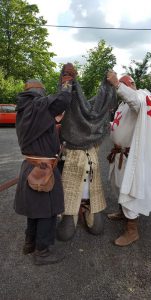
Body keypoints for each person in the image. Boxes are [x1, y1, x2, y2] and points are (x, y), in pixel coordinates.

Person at [14, 63, 77, 265]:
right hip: (43, 168)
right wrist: (67, 82)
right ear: (39, 92)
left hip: (31, 166)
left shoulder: (24, 110)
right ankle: (42, 253)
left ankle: (30, 243)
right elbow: (62, 100)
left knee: (34, 210)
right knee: (48, 212)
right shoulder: (36, 106)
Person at [56, 70, 117, 241]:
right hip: (70, 194)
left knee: (98, 229)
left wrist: (112, 86)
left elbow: (99, 110)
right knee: (64, 234)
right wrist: (67, 82)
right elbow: (63, 100)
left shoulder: (94, 145)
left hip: (91, 195)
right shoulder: (70, 141)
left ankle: (87, 208)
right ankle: (72, 212)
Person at [106, 71, 151, 246]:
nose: (119, 89)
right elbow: (119, 123)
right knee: (118, 185)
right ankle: (123, 213)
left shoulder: (142, 97)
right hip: (119, 153)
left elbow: (135, 103)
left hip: (131, 156)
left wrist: (117, 84)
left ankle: (132, 230)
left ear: (130, 84)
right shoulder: (124, 103)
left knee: (130, 190)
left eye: (123, 85)